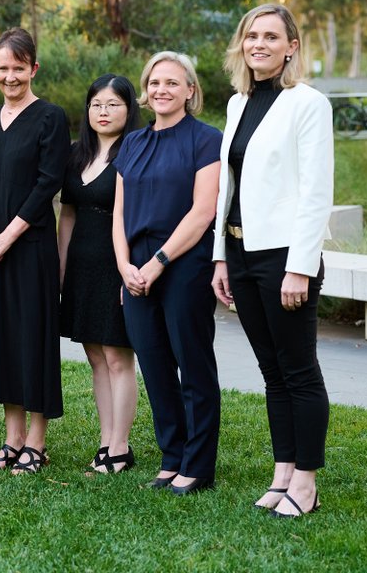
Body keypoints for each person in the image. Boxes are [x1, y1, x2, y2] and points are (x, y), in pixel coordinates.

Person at [210, 4, 332, 518]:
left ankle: (306, 483)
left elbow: (315, 191)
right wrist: (220, 257)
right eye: (251, 35)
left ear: (291, 47)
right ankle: (283, 472)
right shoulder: (239, 104)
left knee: (298, 370)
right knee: (271, 371)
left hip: (284, 256)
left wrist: (300, 266)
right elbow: (228, 189)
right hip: (240, 252)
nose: (258, 43)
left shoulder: (307, 103)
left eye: (270, 36)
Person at [112, 51, 221, 495]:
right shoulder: (132, 143)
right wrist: (125, 268)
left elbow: (202, 213)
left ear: (190, 90)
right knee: (155, 366)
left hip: (183, 265)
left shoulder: (205, 139)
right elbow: (118, 215)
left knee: (192, 365)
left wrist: (157, 264)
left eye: (173, 83)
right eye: (155, 82)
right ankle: (171, 456)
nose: (161, 90)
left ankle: (197, 464)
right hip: (134, 268)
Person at [0, 28, 69, 475]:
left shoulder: (50, 117)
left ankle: (37, 442)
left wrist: (8, 236)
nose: (10, 77)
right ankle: (12, 439)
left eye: (19, 68)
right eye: (3, 68)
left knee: (32, 339)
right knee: (1, 339)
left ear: (34, 69)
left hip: (28, 250)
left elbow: (49, 182)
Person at [57, 74, 142, 474]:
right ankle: (105, 441)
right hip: (82, 263)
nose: (103, 112)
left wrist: (132, 271)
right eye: (96, 104)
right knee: (94, 355)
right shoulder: (77, 154)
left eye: (112, 105)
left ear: (129, 109)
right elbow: (68, 214)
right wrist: (60, 269)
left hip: (117, 262)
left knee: (117, 355)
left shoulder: (137, 151)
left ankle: (120, 447)